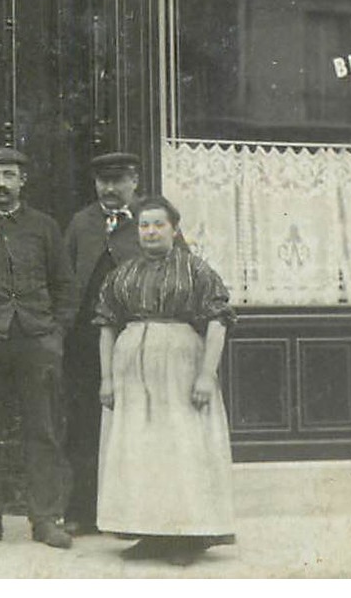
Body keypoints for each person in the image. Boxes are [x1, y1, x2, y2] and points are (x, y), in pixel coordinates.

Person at [96, 195, 237, 566]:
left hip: (180, 368)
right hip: (132, 373)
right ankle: (149, 533)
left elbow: (218, 323)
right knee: (140, 449)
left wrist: (207, 375)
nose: (151, 232)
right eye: (144, 225)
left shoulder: (196, 270)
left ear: (174, 229)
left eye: (159, 224)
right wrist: (106, 379)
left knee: (180, 447)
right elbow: (107, 327)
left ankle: (185, 535)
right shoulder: (123, 274)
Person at [0, 146, 77, 550]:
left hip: (37, 340)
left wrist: (55, 333)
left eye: (9, 175)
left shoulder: (44, 228)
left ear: (23, 180)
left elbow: (65, 286)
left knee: (43, 430)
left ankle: (44, 519)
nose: (2, 183)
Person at [61, 151, 142, 536]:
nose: (110, 189)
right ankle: (82, 511)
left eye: (119, 180)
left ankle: (134, 512)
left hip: (137, 339)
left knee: (137, 424)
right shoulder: (82, 222)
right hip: (85, 342)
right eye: (102, 181)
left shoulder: (151, 219)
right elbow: (66, 277)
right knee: (84, 425)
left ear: (134, 182)